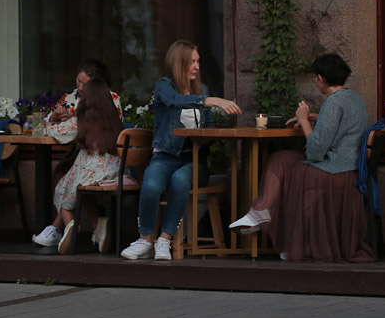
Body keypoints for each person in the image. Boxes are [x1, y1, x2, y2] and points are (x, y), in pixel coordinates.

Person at [228, 53, 375, 263]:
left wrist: (305, 120)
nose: (315, 81)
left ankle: (274, 225)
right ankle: (260, 212)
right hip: (347, 169)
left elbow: (316, 151)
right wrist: (317, 117)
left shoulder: (334, 102)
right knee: (281, 159)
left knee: (288, 169)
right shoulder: (353, 97)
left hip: (333, 171)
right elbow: (341, 124)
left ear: (321, 79)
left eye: (315, 77)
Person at [120, 40, 242, 262]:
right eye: (191, 61)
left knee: (180, 180)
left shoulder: (201, 88)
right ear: (179, 63)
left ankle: (164, 239)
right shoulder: (164, 86)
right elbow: (175, 101)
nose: (197, 66)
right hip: (165, 156)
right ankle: (145, 240)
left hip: (193, 160)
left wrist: (209, 135)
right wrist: (210, 100)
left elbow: (208, 126)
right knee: (151, 185)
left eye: (198, 61)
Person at [31, 78, 125, 253]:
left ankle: (70, 225)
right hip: (114, 173)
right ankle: (99, 228)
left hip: (88, 170)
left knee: (62, 188)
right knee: (76, 190)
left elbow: (53, 132)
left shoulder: (81, 121)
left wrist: (54, 120)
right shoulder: (115, 121)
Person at [45, 59, 122, 146]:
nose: (80, 87)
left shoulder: (110, 98)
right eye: (79, 81)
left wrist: (73, 121)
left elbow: (107, 128)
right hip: (66, 150)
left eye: (85, 84)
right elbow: (42, 129)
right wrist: (53, 119)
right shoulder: (68, 99)